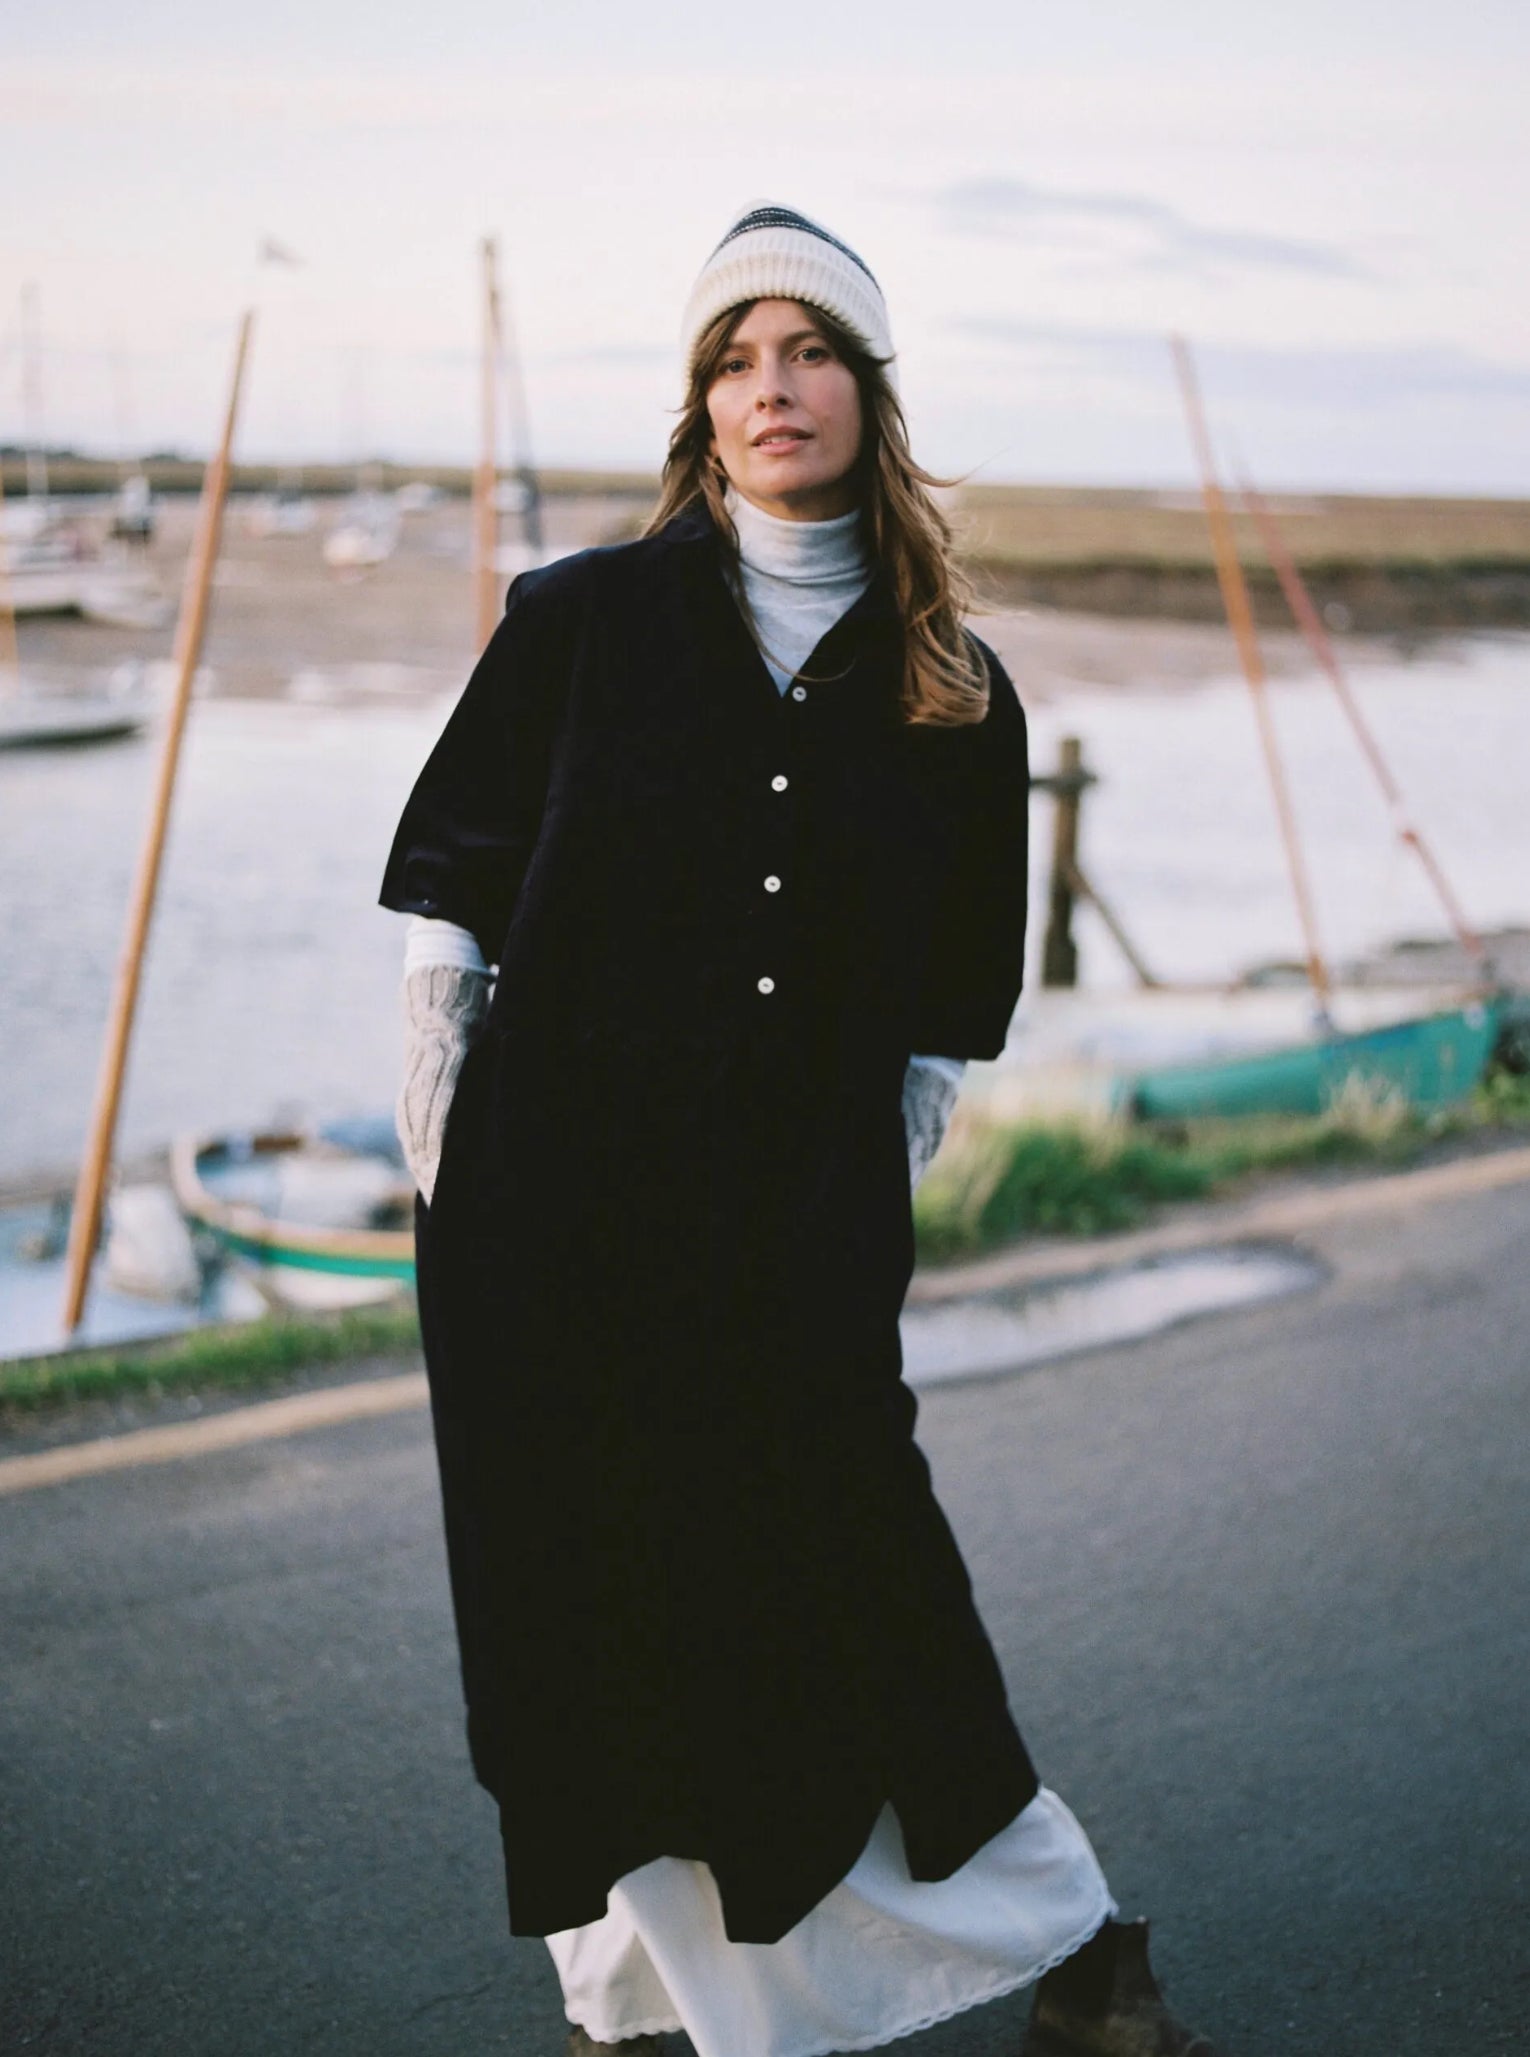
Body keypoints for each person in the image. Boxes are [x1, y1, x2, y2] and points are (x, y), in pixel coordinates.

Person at [379, 203, 1224, 2057]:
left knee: (859, 1585)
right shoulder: (582, 618)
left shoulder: (955, 689)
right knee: (583, 1609)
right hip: (549, 1224)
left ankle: (1073, 1949)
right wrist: (440, 1082)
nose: (776, 388)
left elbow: (942, 1009)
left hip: (793, 1241)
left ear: (868, 388)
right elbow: (456, 872)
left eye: (812, 350)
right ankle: (622, 2001)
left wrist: (869, 1177)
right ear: (701, 403)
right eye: (737, 358)